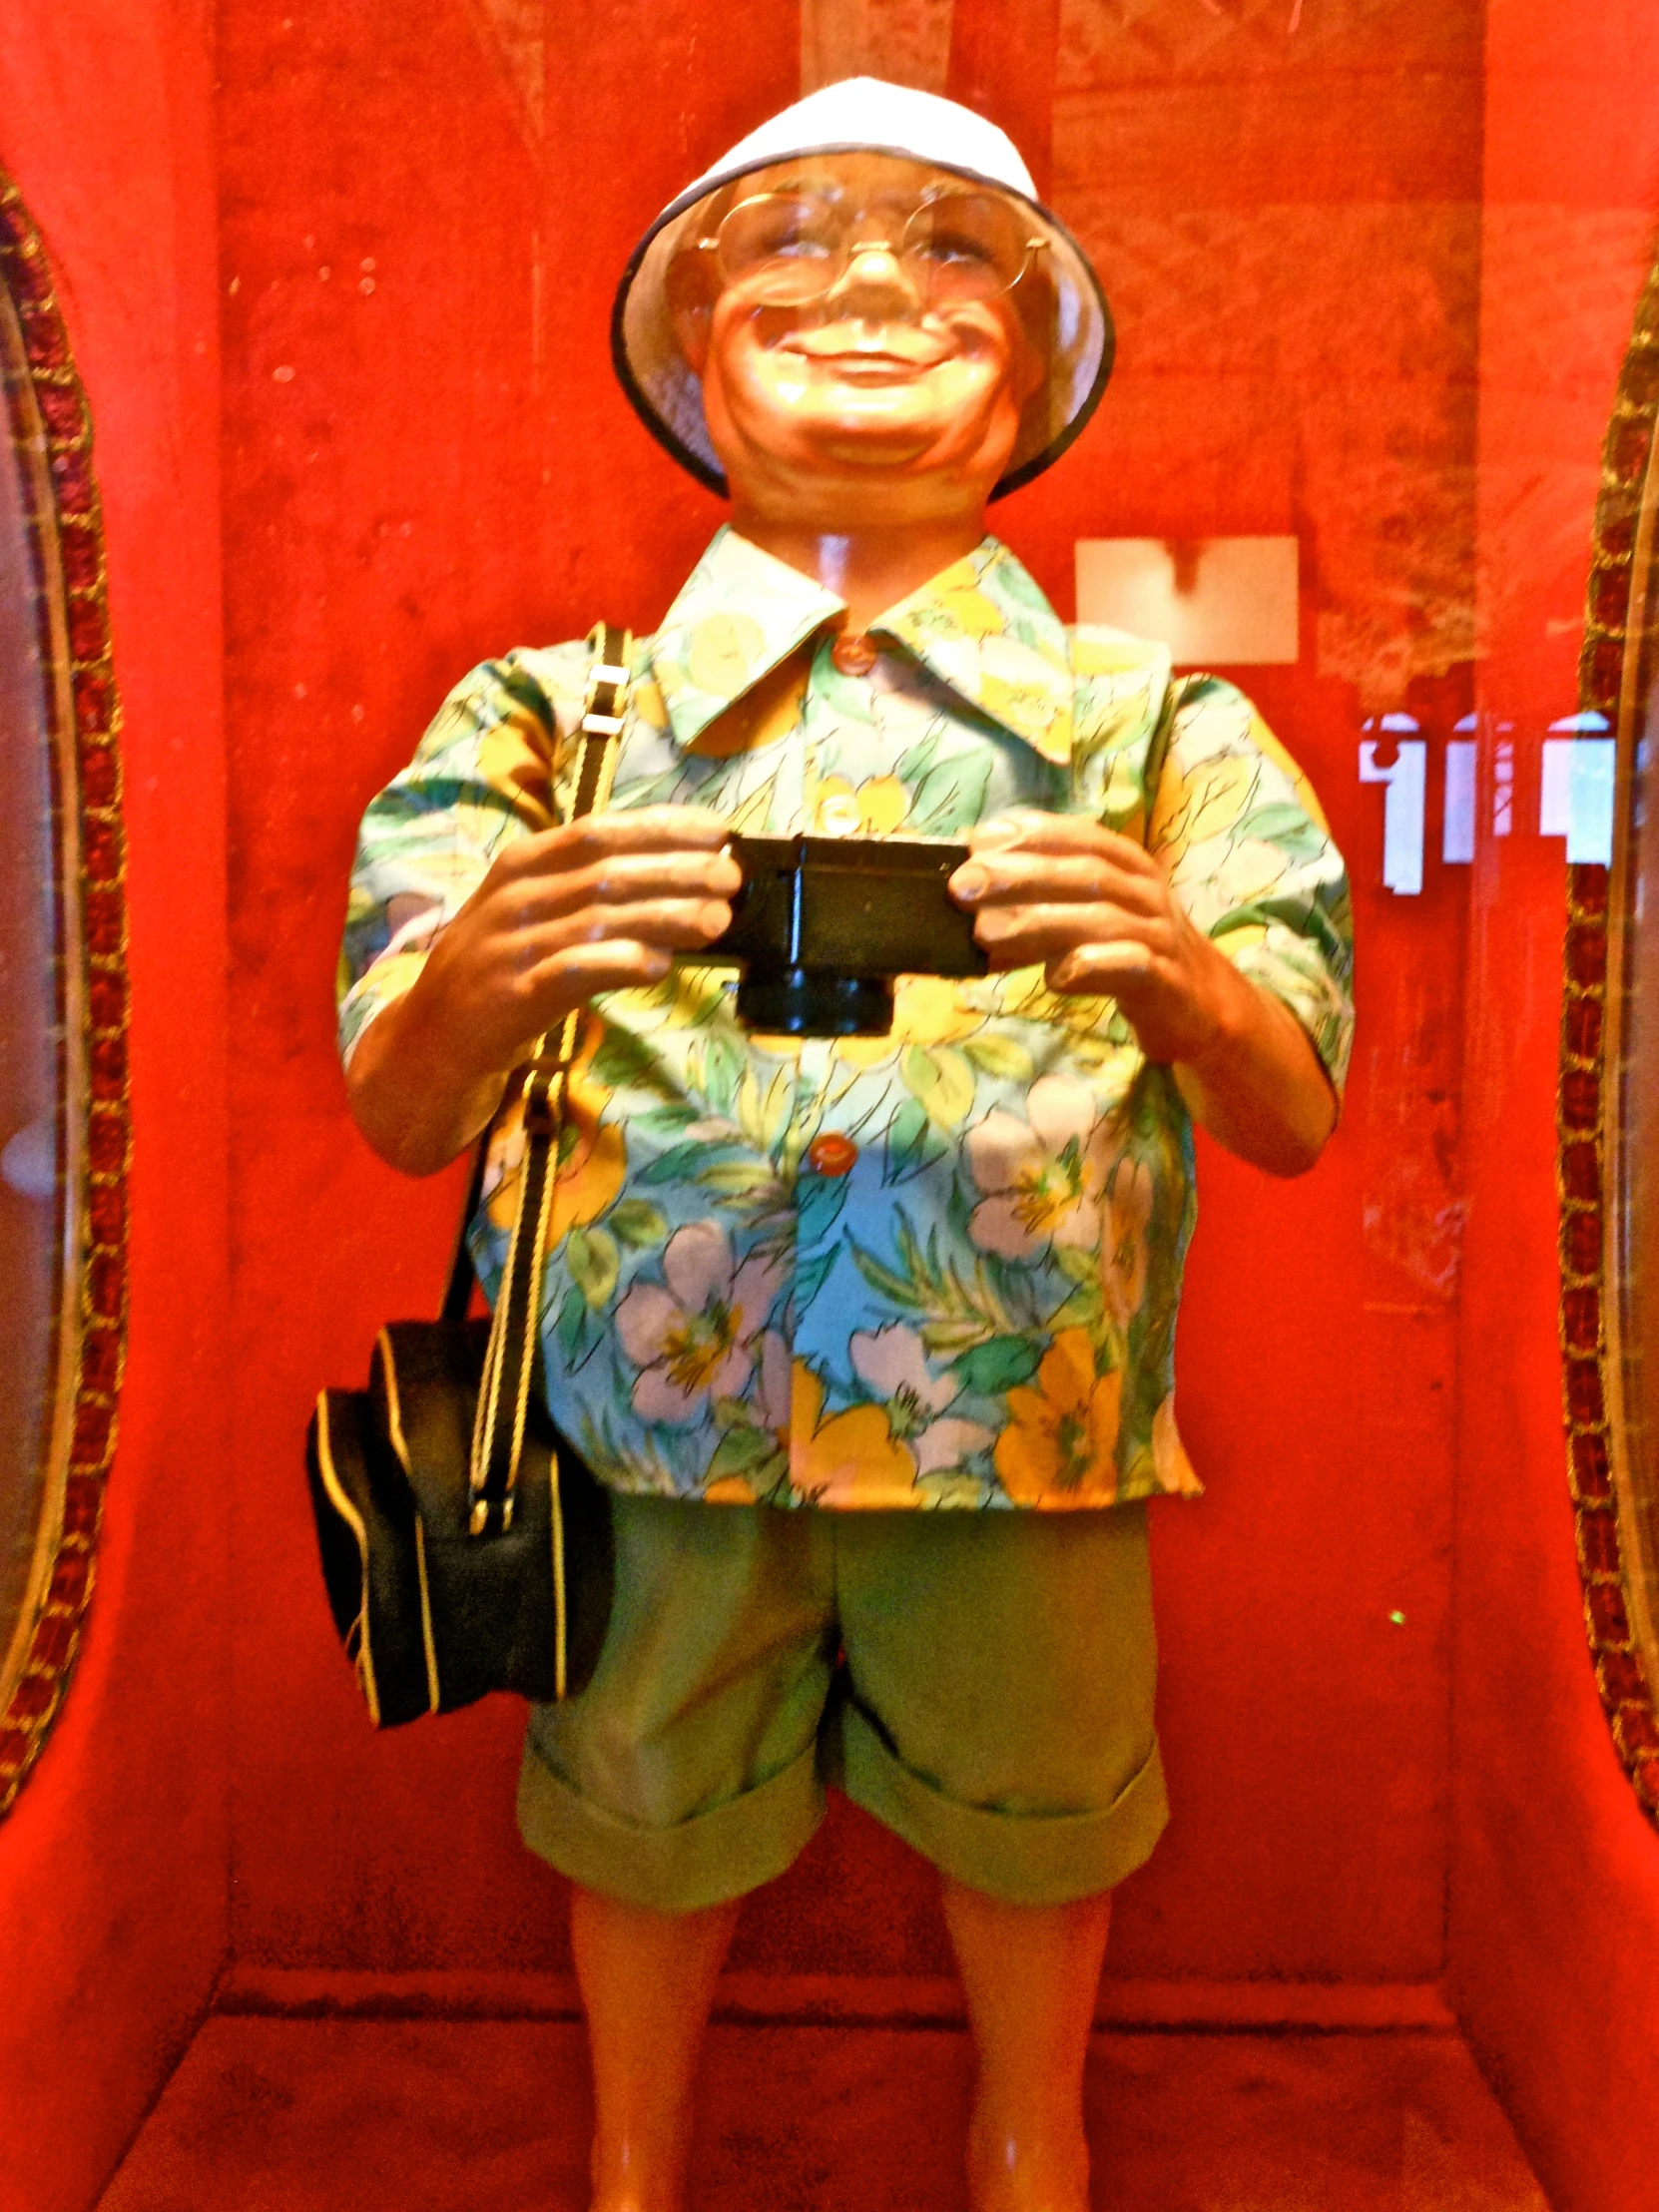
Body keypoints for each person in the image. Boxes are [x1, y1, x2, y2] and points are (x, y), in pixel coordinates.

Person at [337, 77, 1353, 2212]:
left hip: (1023, 1426)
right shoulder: (553, 714)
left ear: (1043, 363)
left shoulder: (1153, 726)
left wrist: (1182, 969)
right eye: (789, 243)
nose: (874, 279)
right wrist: (475, 977)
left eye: (954, 249)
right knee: (633, 1801)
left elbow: (1290, 1103)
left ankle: (1032, 2150)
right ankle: (633, 2171)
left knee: (1042, 1809)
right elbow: (398, 1098)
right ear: (693, 358)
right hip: (643, 1432)